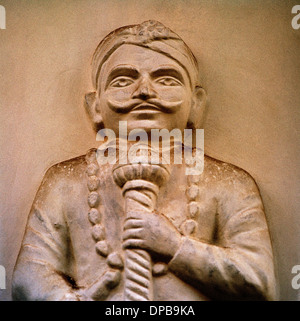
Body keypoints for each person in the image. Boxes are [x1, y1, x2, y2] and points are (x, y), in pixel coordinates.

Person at [12, 20, 276, 301]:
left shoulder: (229, 183)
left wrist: (176, 246)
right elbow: (29, 274)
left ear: (196, 104)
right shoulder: (65, 181)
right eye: (123, 80)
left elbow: (259, 281)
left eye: (167, 79)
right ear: (95, 106)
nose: (144, 91)